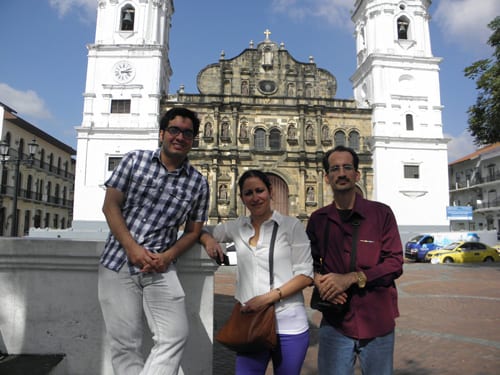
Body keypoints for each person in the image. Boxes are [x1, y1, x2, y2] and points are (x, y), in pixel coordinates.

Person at [98, 107, 209, 375]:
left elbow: (193, 231)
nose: (180, 136)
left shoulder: (198, 183)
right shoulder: (134, 160)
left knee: (174, 335)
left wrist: (167, 256)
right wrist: (132, 247)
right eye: (174, 130)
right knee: (125, 345)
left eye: (187, 133)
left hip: (161, 266)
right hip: (118, 262)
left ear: (193, 140)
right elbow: (110, 206)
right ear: (162, 133)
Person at [200, 170, 313, 375]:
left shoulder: (291, 226)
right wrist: (208, 240)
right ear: (242, 198)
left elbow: (305, 275)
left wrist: (267, 299)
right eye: (248, 193)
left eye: (259, 190)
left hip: (289, 323)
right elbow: (202, 230)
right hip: (250, 323)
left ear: (270, 192)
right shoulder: (238, 227)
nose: (255, 197)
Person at [306, 145, 403, 375]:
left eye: (347, 167)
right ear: (327, 177)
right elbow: (307, 262)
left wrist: (352, 278)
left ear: (357, 175)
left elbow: (394, 262)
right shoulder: (318, 220)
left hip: (377, 319)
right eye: (335, 169)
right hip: (335, 322)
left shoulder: (381, 214)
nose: (341, 173)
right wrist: (319, 280)